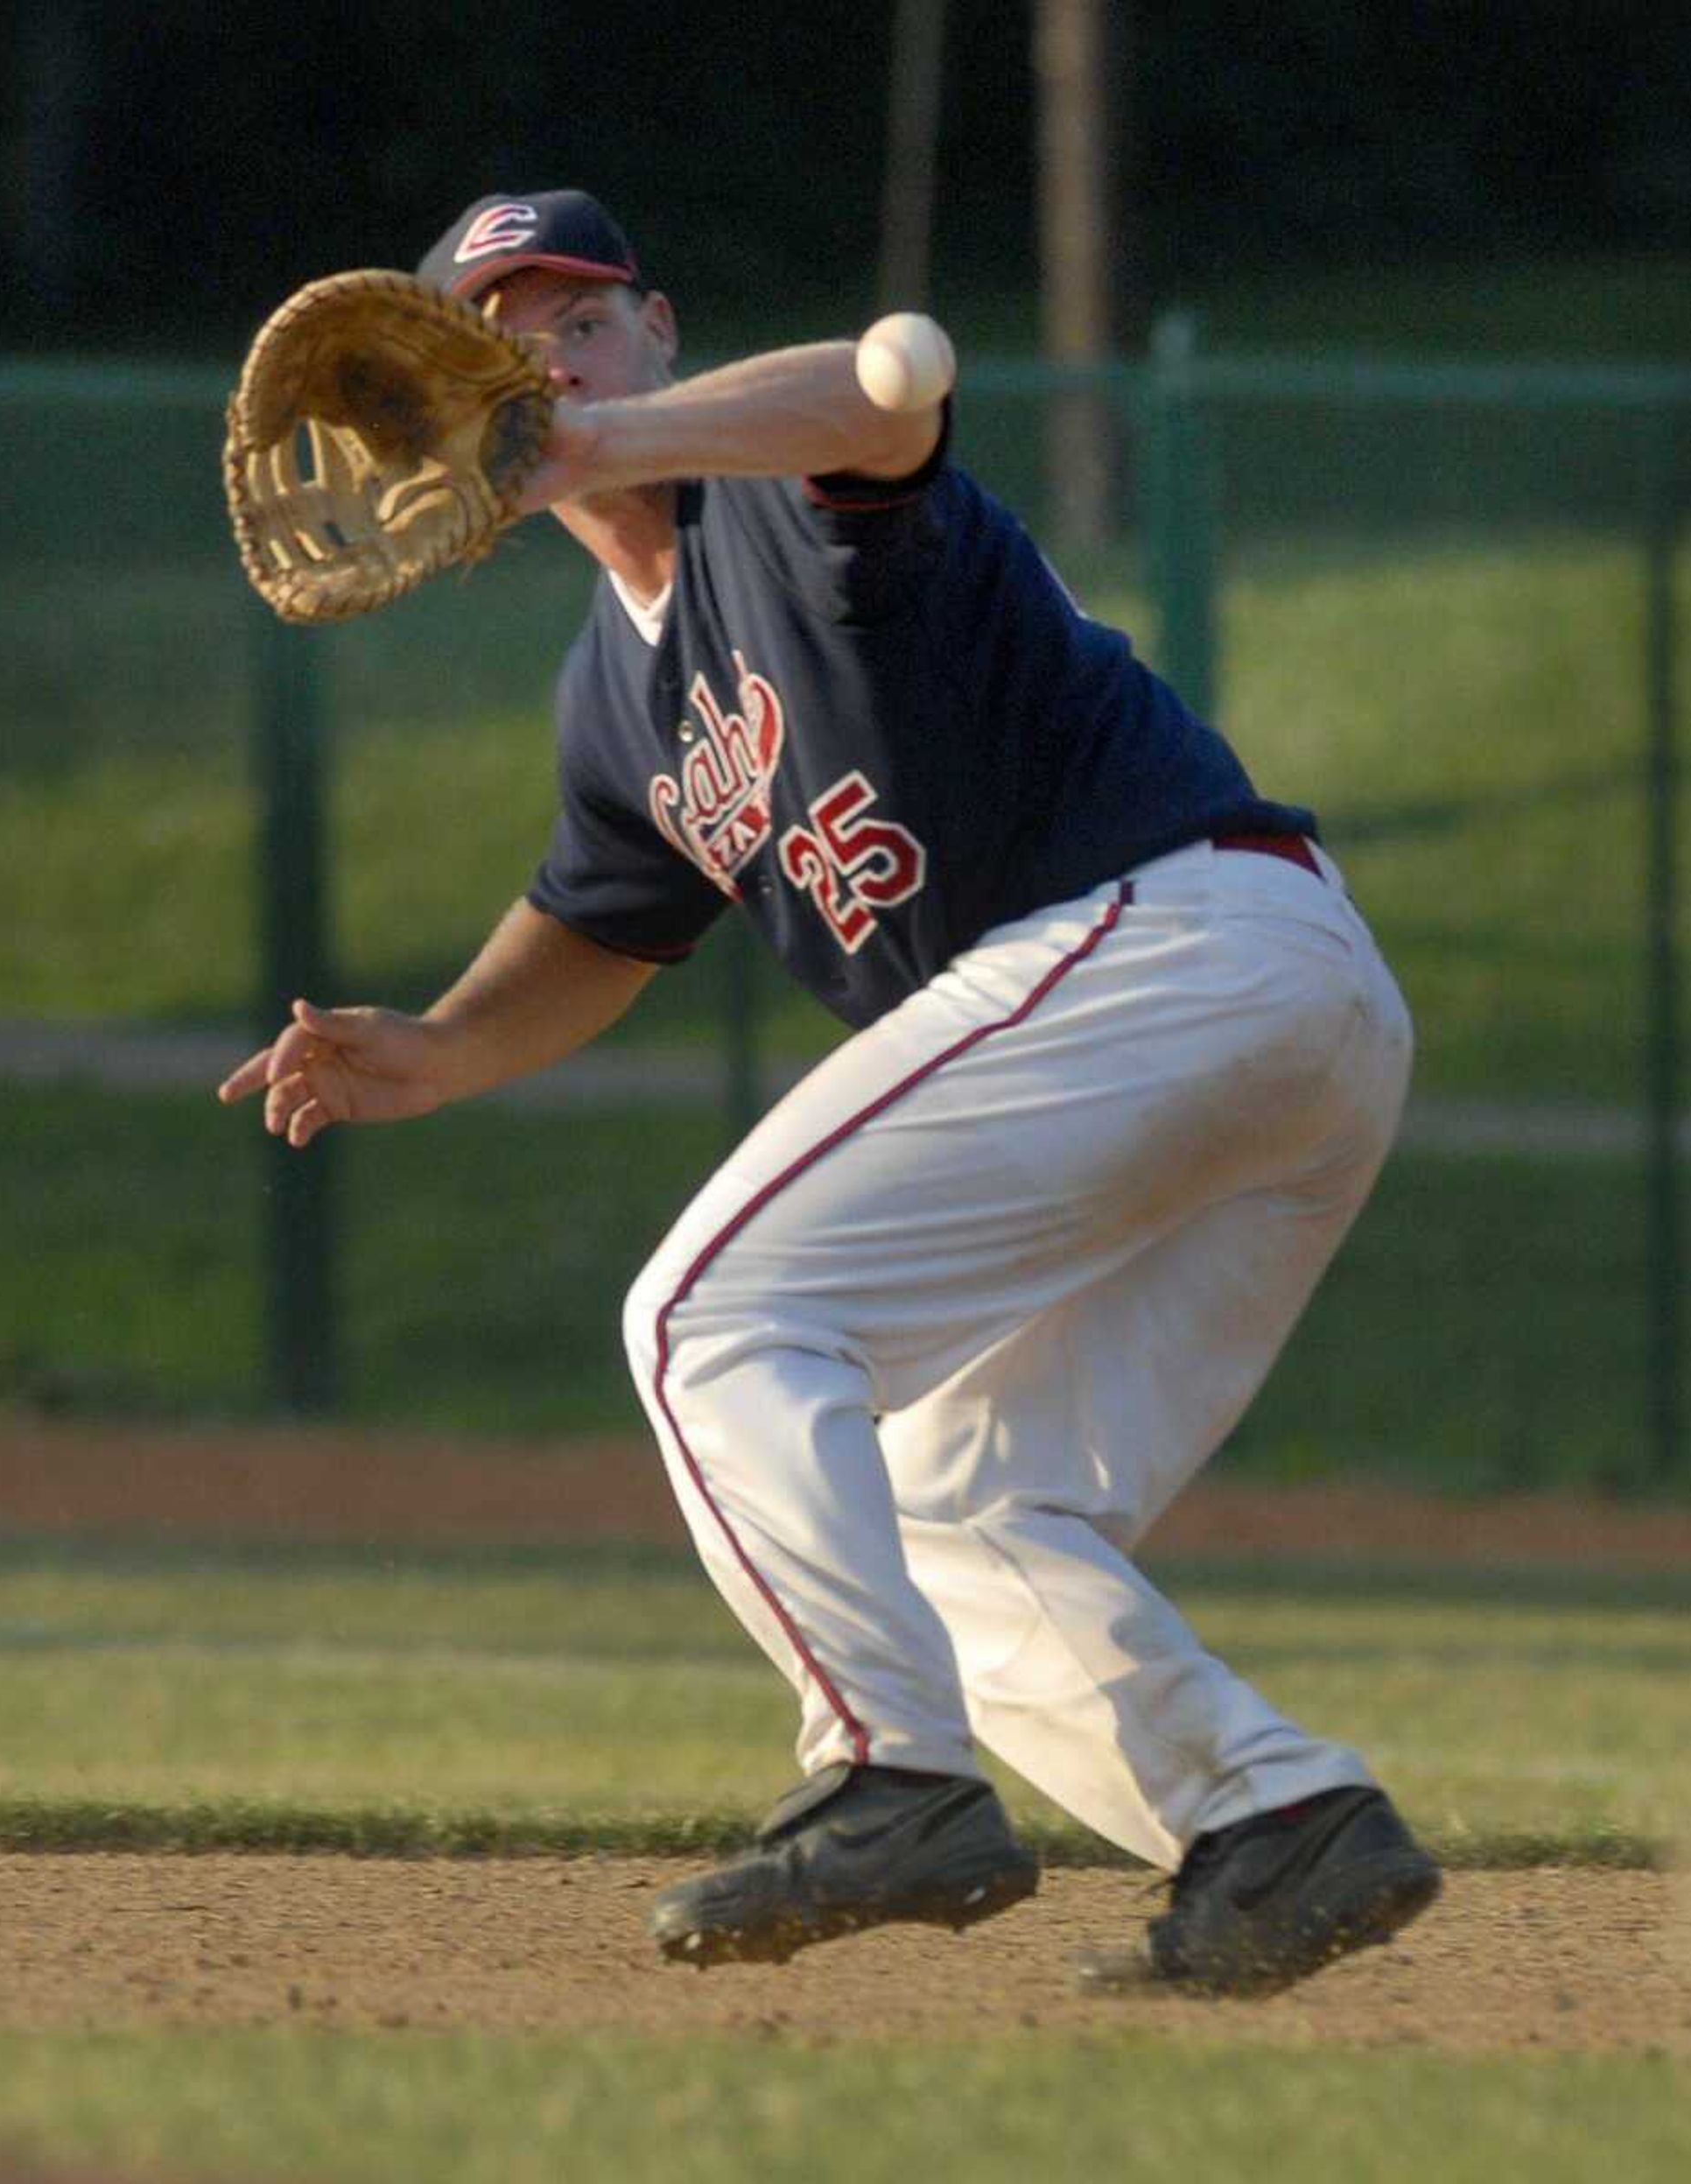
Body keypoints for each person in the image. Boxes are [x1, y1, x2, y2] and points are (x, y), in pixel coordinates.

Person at [219, 188, 1441, 1995]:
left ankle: (887, 1772)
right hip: (1255, 1030)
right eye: (493, 329)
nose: (539, 355)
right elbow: (595, 918)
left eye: (576, 316)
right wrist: (443, 1046)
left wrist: (602, 440)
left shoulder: (779, 500)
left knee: (712, 1316)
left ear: (656, 329)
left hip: (1185, 940)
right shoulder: (613, 707)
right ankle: (1273, 1822)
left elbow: (881, 404)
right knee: (958, 1512)